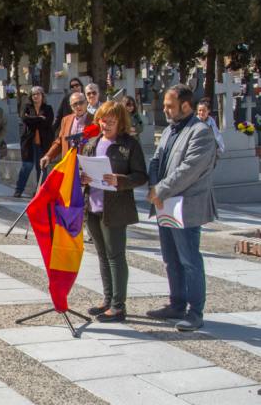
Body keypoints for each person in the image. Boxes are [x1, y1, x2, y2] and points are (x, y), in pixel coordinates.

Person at [146, 84, 218, 332]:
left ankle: (195, 312)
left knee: (189, 259)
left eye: (169, 106)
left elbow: (189, 170)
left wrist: (160, 190)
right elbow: (156, 159)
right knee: (170, 258)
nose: (165, 110)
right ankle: (176, 304)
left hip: (185, 205)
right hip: (165, 203)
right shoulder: (168, 130)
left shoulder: (201, 132)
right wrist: (155, 185)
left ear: (185, 106)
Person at [81, 101, 148, 322]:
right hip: (93, 206)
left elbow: (141, 176)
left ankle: (119, 306)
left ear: (120, 122)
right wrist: (82, 178)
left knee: (115, 256)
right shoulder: (92, 143)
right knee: (102, 255)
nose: (105, 124)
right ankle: (108, 300)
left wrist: (121, 180)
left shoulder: (129, 145)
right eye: (102, 120)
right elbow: (83, 171)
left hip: (116, 207)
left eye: (110, 121)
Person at [16, 86, 54, 197]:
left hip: (43, 142)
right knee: (27, 165)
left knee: (41, 167)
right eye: (33, 94)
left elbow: (47, 123)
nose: (36, 96)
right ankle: (19, 190)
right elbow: (25, 119)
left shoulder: (48, 109)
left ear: (42, 95)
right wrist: (39, 118)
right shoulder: (27, 107)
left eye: (38, 94)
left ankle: (40, 192)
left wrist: (32, 119)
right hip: (29, 142)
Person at [41, 90, 90, 168]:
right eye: (75, 104)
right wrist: (48, 156)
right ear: (71, 107)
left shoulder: (95, 120)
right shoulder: (66, 120)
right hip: (69, 165)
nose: (78, 106)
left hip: (86, 166)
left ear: (86, 102)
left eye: (81, 102)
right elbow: (60, 141)